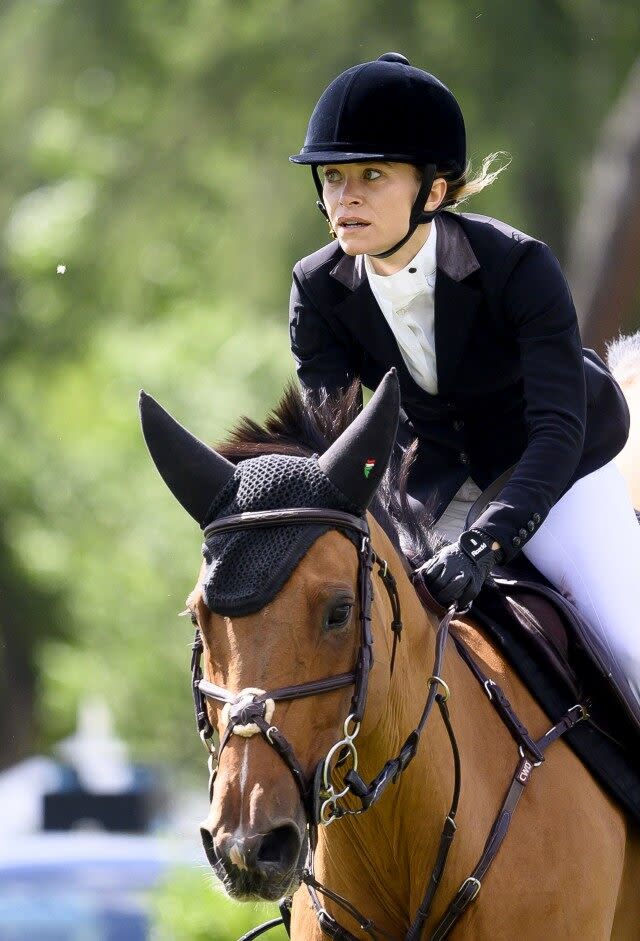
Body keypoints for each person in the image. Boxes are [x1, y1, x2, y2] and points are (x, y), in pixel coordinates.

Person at [288, 52, 640, 717]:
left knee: (633, 653)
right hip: (437, 483)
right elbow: (337, 444)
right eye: (333, 176)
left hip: (558, 469)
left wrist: (488, 541)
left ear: (435, 191)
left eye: (371, 175)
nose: (345, 196)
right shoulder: (317, 288)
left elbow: (556, 430)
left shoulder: (518, 267)